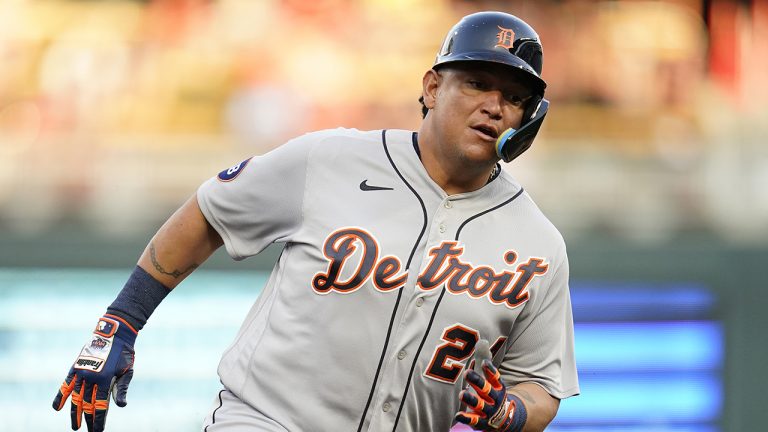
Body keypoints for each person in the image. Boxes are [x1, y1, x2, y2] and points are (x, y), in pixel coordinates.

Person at [52, 10, 579, 432]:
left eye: (513, 98)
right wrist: (119, 323)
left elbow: (539, 386)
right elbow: (210, 214)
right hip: (266, 419)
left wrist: (508, 414)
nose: (493, 107)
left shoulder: (538, 244)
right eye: (477, 83)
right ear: (434, 87)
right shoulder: (329, 159)